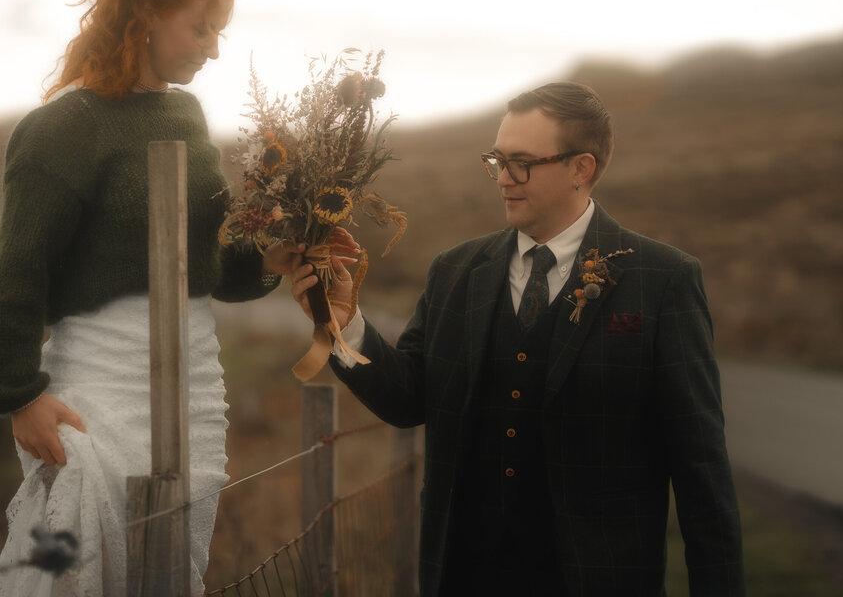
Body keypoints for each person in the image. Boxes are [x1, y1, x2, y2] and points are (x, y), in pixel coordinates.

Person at [292, 82, 745, 596]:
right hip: (466, 576)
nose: (503, 179)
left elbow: (699, 468)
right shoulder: (455, 271)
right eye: (497, 161)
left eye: (522, 163)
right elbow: (408, 398)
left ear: (582, 168)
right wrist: (344, 322)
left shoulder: (662, 279)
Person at [0, 0, 307, 595]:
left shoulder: (185, 117)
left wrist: (269, 258)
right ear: (148, 14)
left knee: (168, 571)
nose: (213, 50)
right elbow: (20, 269)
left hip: (193, 391)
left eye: (220, 31)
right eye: (201, 26)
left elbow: (206, 265)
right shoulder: (65, 127)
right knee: (69, 571)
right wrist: (17, 394)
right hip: (94, 393)